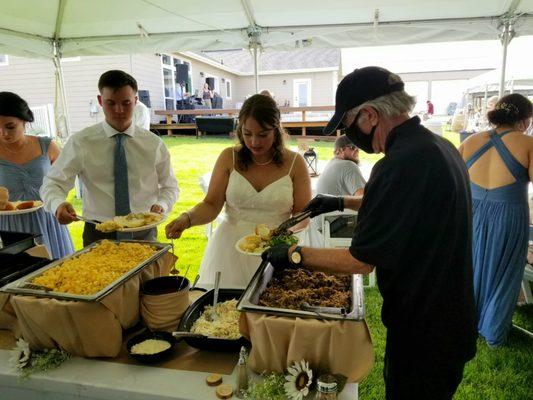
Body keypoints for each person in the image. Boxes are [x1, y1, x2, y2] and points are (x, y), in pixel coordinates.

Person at [262, 66, 477, 400]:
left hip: (424, 328)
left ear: (370, 116)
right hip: (447, 315)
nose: (348, 135)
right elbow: (405, 207)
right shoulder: (436, 147)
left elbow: (361, 261)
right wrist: (339, 201)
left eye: (348, 125)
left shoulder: (400, 163)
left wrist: (294, 255)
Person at [165, 94, 311, 287]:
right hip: (229, 248)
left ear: (276, 130)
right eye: (247, 133)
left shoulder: (295, 163)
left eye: (262, 134)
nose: (254, 142)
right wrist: (187, 218)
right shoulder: (228, 157)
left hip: (278, 249)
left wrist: (282, 236)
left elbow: (303, 214)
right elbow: (211, 204)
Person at [41, 70, 179, 246]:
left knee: (148, 275)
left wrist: (162, 204)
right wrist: (58, 204)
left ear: (136, 101)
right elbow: (53, 183)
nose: (119, 110)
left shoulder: (154, 144)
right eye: (111, 103)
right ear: (100, 101)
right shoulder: (81, 142)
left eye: (126, 103)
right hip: (98, 232)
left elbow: (170, 186)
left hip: (143, 230)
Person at [459, 93, 533, 347]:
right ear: (524, 120)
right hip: (509, 214)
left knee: (474, 265)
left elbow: (454, 179)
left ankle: (469, 319)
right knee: (505, 271)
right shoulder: (527, 143)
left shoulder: (471, 141)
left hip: (473, 212)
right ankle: (493, 328)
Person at [0, 92, 74, 258]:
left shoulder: (46, 146)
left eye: (10, 127)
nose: (3, 133)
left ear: (25, 120)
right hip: (11, 225)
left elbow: (66, 178)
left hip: (48, 220)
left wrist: (59, 201)